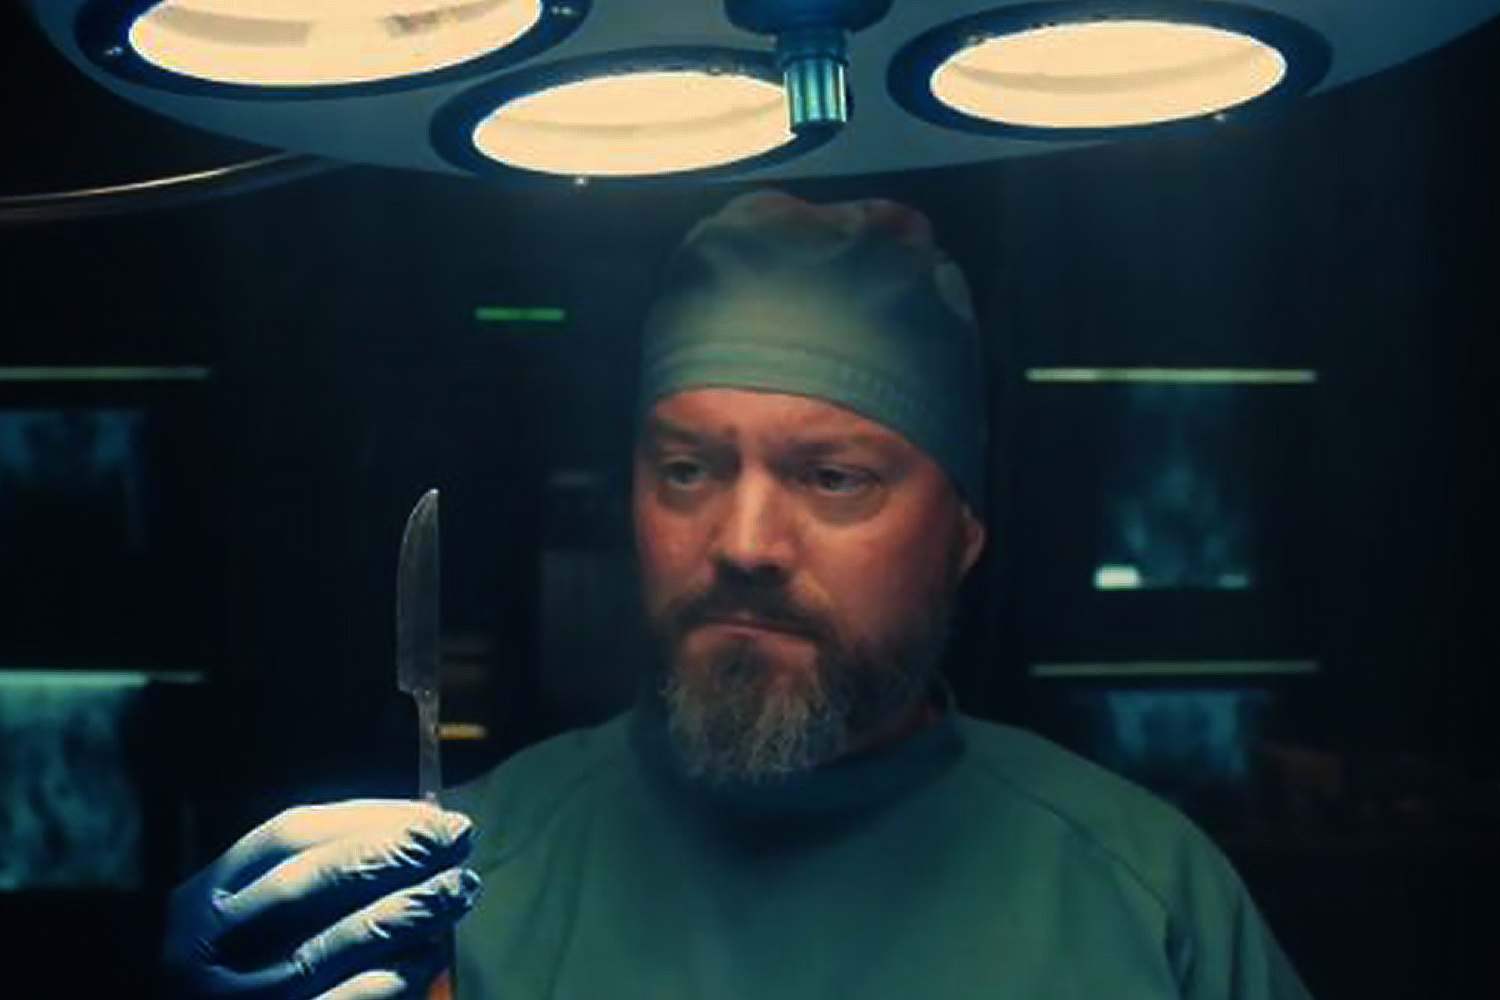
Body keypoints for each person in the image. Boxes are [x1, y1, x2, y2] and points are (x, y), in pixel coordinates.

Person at [161, 190, 1314, 1000]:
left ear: (962, 533)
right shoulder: (444, 886)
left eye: (833, 477)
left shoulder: (1146, 899)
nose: (745, 542)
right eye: (689, 469)